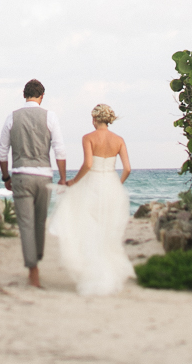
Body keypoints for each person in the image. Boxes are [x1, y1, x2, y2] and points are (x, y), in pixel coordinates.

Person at [48, 104, 135, 295]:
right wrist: (118, 183)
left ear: (95, 119)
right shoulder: (119, 140)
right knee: (107, 230)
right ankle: (107, 274)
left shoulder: (88, 138)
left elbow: (88, 164)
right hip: (111, 184)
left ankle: (94, 274)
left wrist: (74, 181)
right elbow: (127, 168)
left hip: (93, 183)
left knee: (90, 228)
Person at [0, 79, 67, 289]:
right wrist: (62, 178)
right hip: (44, 176)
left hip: (20, 174)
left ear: (24, 94)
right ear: (41, 96)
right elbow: (59, 150)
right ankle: (36, 258)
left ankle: (33, 269)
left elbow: (2, 152)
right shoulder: (50, 117)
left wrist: (5, 177)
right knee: (39, 221)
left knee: (26, 224)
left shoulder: (12, 117)